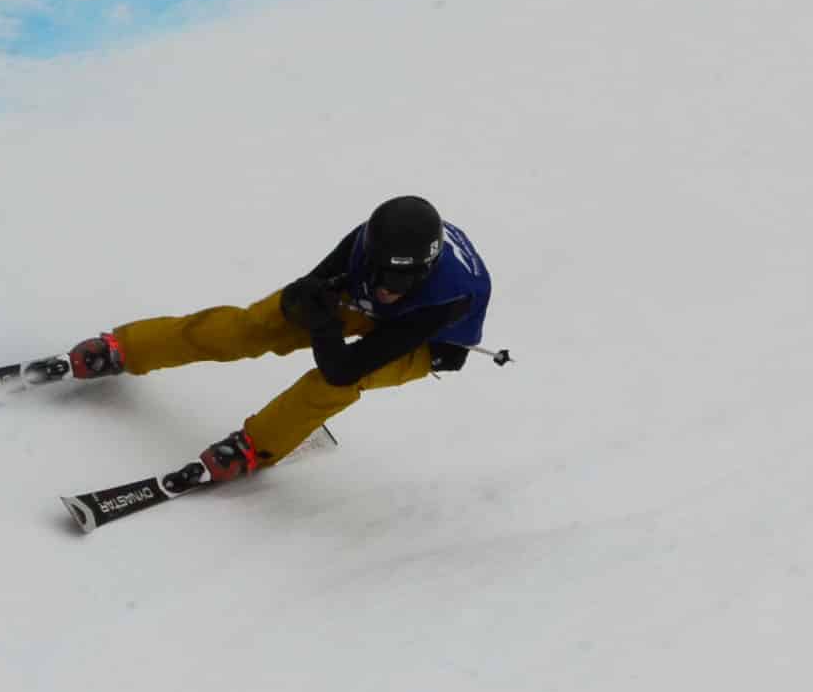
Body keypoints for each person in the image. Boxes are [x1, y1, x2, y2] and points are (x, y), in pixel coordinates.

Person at [63, 195, 493, 494]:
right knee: (255, 326)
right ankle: (130, 346)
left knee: (329, 387)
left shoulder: (448, 299)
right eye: (377, 272)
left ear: (422, 273)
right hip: (379, 305)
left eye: (397, 281)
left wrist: (323, 318)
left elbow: (342, 368)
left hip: (427, 338)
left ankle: (259, 445)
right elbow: (300, 295)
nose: (383, 288)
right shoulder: (367, 240)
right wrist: (309, 301)